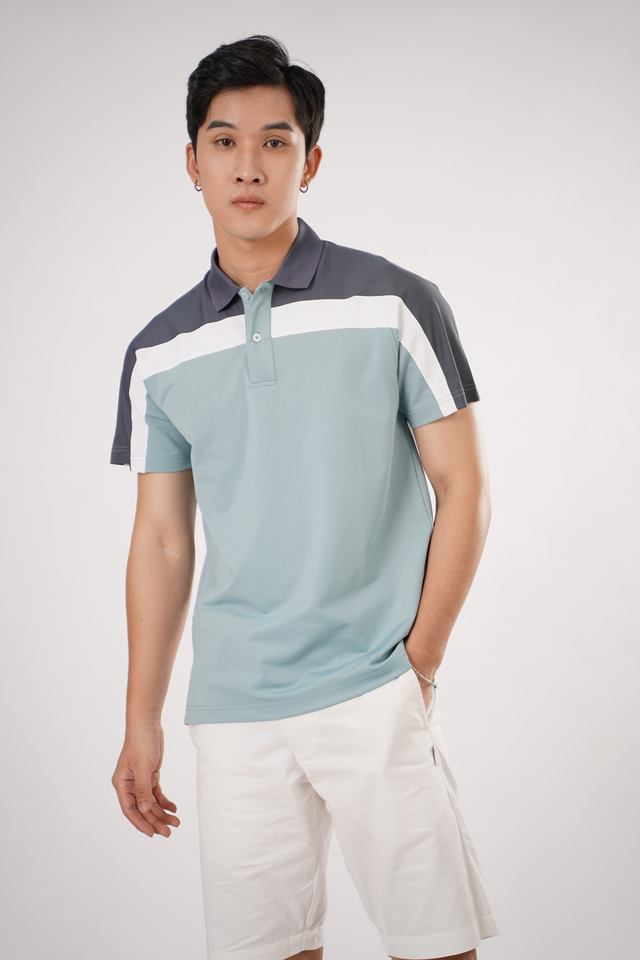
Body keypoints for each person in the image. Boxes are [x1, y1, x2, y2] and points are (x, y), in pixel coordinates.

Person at [110, 33, 500, 960]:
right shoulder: (158, 351)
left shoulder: (396, 302)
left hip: (374, 683)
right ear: (192, 163)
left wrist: (420, 663)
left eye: (275, 142)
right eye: (224, 141)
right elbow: (162, 541)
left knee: (438, 947)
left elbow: (466, 488)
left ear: (310, 161)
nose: (248, 165)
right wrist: (140, 720)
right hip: (234, 707)